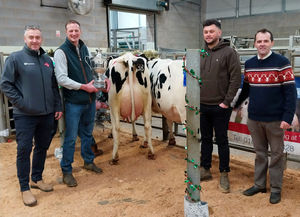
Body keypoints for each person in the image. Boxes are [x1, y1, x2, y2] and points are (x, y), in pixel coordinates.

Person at [0, 25, 63, 206]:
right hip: (25, 115)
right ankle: (24, 187)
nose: (34, 40)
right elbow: (5, 84)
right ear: (25, 39)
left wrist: (57, 105)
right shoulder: (15, 59)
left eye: (37, 37)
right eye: (31, 37)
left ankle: (36, 178)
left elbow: (53, 86)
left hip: (46, 114)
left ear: (41, 39)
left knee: (42, 147)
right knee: (24, 150)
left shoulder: (46, 60)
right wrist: (22, 103)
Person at [234, 28, 297, 204]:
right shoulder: (250, 64)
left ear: (272, 43)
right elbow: (246, 88)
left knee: (276, 155)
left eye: (265, 41)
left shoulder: (282, 63)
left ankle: (276, 189)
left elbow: (290, 93)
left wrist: (287, 117)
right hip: (254, 118)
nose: (262, 44)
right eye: (259, 41)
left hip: (276, 119)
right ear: (255, 43)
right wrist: (236, 105)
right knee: (260, 153)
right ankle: (259, 184)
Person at [54, 20, 106, 187]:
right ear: (66, 32)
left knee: (87, 134)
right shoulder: (61, 52)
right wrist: (84, 87)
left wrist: (103, 79)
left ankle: (88, 161)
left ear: (80, 31)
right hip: (74, 102)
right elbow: (61, 78)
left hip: (89, 101)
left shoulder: (84, 48)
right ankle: (67, 171)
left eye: (76, 30)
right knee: (70, 138)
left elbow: (92, 70)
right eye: (71, 31)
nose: (74, 33)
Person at [199, 19, 241, 193]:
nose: (208, 34)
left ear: (219, 33)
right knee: (206, 139)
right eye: (206, 32)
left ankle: (224, 173)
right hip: (203, 104)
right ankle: (205, 168)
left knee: (222, 140)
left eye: (211, 31)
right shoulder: (201, 53)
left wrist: (226, 102)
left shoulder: (229, 52)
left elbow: (236, 78)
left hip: (221, 106)